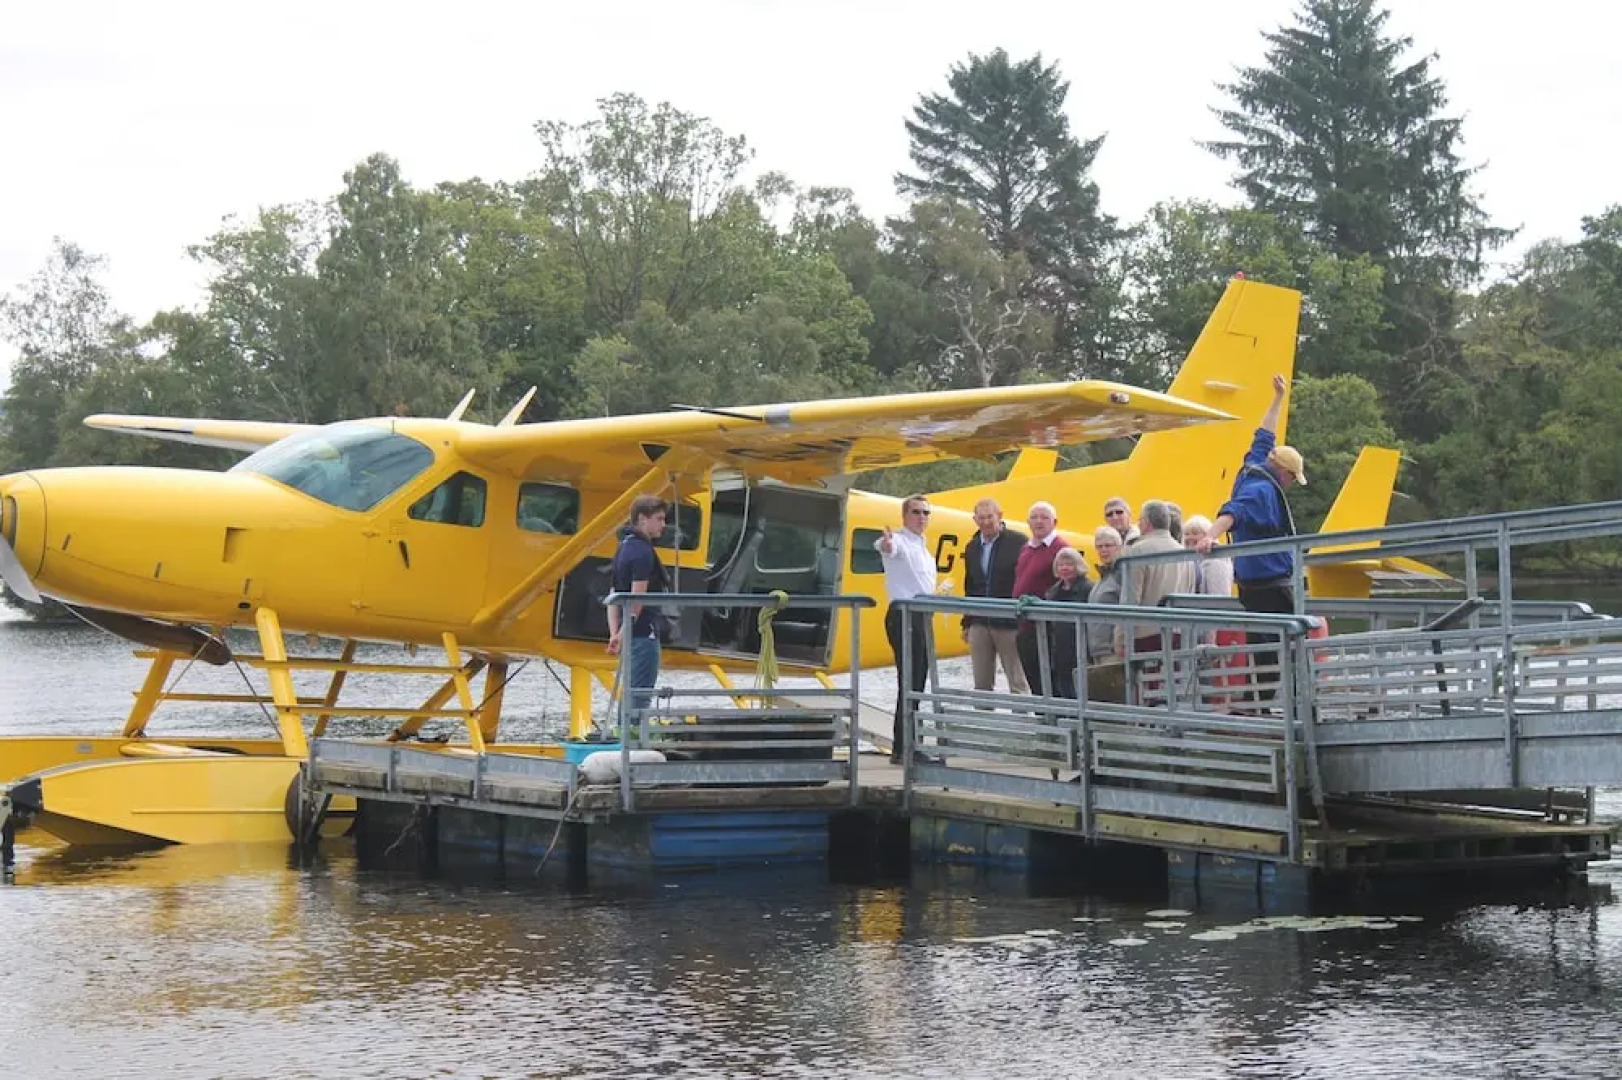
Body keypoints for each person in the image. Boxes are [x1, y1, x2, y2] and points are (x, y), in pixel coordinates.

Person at [1201, 373, 1306, 699]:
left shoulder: (1256, 463)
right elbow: (1235, 511)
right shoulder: (1262, 490)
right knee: (1281, 647)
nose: (1291, 484)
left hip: (1251, 582)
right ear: (1284, 473)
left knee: (1266, 646)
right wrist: (1211, 535)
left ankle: (1259, 703)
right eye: (1293, 478)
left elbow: (1265, 433)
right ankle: (1275, 706)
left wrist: (1278, 398)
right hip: (1269, 584)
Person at [876, 494, 938, 764]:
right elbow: (888, 548)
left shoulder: (923, 548)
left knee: (917, 682)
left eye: (925, 513)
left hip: (921, 615)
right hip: (904, 616)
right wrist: (887, 544)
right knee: (910, 681)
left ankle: (905, 746)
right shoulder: (901, 541)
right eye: (916, 512)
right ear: (904, 516)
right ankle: (906, 747)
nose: (921, 517)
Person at [961, 497, 1031, 694]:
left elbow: (1025, 581)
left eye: (990, 517)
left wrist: (1022, 619)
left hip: (1009, 621)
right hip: (979, 621)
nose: (986, 522)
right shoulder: (972, 547)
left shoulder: (1019, 542)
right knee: (981, 683)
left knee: (1017, 680)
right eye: (981, 518)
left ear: (999, 516)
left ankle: (1021, 713)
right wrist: (967, 621)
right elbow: (970, 585)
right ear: (975, 520)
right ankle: (983, 713)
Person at [607, 495, 669, 716]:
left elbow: (613, 596)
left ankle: (623, 731)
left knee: (630, 691)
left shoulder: (623, 547)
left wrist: (615, 633)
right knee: (640, 694)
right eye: (659, 519)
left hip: (629, 633)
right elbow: (637, 600)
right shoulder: (643, 552)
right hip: (644, 632)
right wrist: (622, 634)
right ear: (643, 519)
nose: (663, 524)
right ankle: (632, 734)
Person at [1115, 500, 1197, 656]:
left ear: (1146, 522)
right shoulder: (1185, 553)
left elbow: (1130, 599)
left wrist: (1121, 638)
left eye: (1140, 520)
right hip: (1178, 634)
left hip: (1145, 635)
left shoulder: (1137, 551)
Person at [1012, 501, 1071, 695]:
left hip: (1047, 629)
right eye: (1034, 517)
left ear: (1054, 522)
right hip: (1026, 626)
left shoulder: (1060, 548)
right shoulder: (1026, 549)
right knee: (1035, 682)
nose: (1039, 521)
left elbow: (1067, 585)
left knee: (1051, 684)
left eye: (1044, 517)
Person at [1044, 547, 1092, 699]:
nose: (1064, 568)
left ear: (1078, 565)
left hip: (1081, 649)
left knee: (1081, 692)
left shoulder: (1088, 588)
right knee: (1064, 690)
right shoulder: (1053, 591)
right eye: (1061, 564)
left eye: (1069, 564)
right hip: (1059, 651)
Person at [1086, 526, 1125, 664]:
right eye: (1099, 546)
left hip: (1114, 651)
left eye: (1108, 545)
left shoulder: (1122, 575)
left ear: (1119, 547)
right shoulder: (1102, 579)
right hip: (1098, 650)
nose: (1103, 550)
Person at [1183, 514, 1234, 599]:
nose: (1189, 537)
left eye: (1195, 533)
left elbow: (1218, 599)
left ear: (1207, 535)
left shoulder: (1216, 563)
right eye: (1186, 534)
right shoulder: (1190, 561)